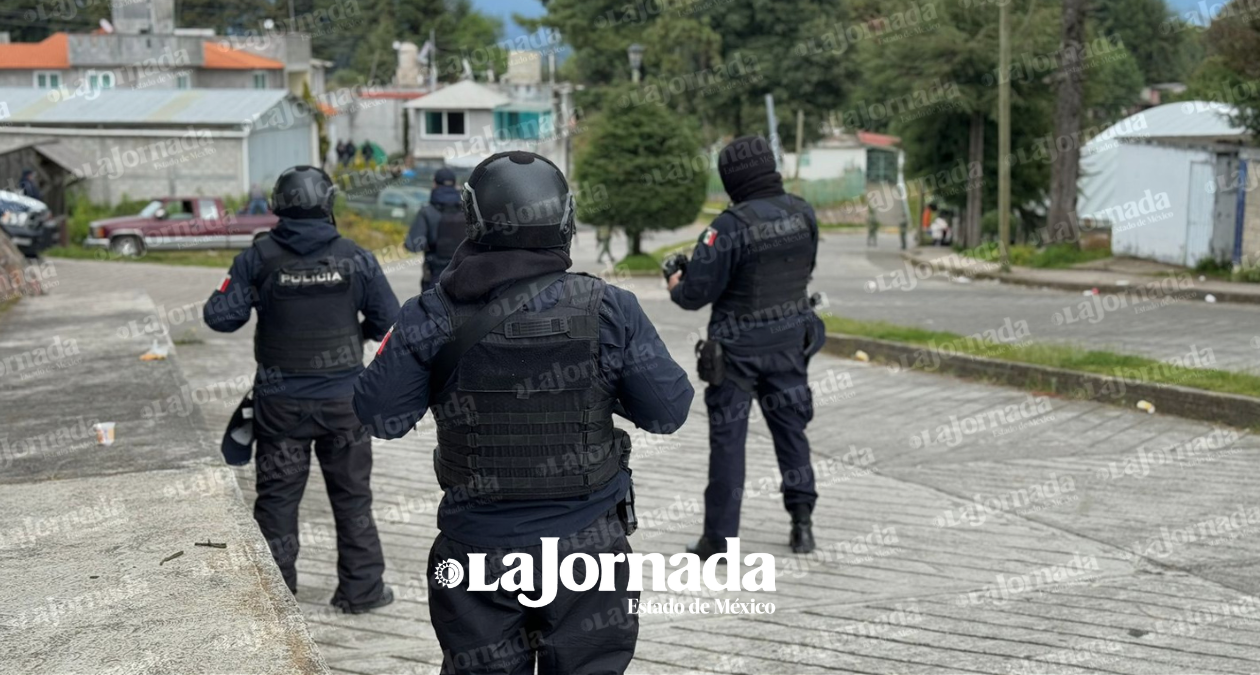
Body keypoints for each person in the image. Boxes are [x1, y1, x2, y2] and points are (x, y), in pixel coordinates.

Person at [354, 151, 693, 675]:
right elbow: (668, 410)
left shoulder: (430, 313)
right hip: (587, 555)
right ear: (566, 220)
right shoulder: (610, 308)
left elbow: (380, 416)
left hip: (476, 556)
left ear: (474, 220)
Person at [203, 165, 401, 614]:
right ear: (328, 203)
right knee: (352, 498)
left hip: (280, 406)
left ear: (276, 205)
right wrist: (360, 328)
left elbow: (220, 317)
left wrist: (252, 290)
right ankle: (362, 590)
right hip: (345, 403)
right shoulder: (356, 256)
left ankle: (277, 598)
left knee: (276, 501)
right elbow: (389, 321)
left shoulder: (258, 258)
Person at [667, 136, 826, 559]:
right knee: (792, 434)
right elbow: (805, 269)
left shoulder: (727, 227)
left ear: (732, 177)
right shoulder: (802, 212)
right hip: (790, 343)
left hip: (736, 354)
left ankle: (719, 541)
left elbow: (694, 295)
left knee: (729, 444)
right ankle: (802, 525)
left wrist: (676, 279)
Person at [405, 167, 463, 292]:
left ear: (435, 184)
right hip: (464, 277)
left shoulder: (427, 212)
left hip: (435, 279)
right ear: (455, 184)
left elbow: (412, 245)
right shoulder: (467, 211)